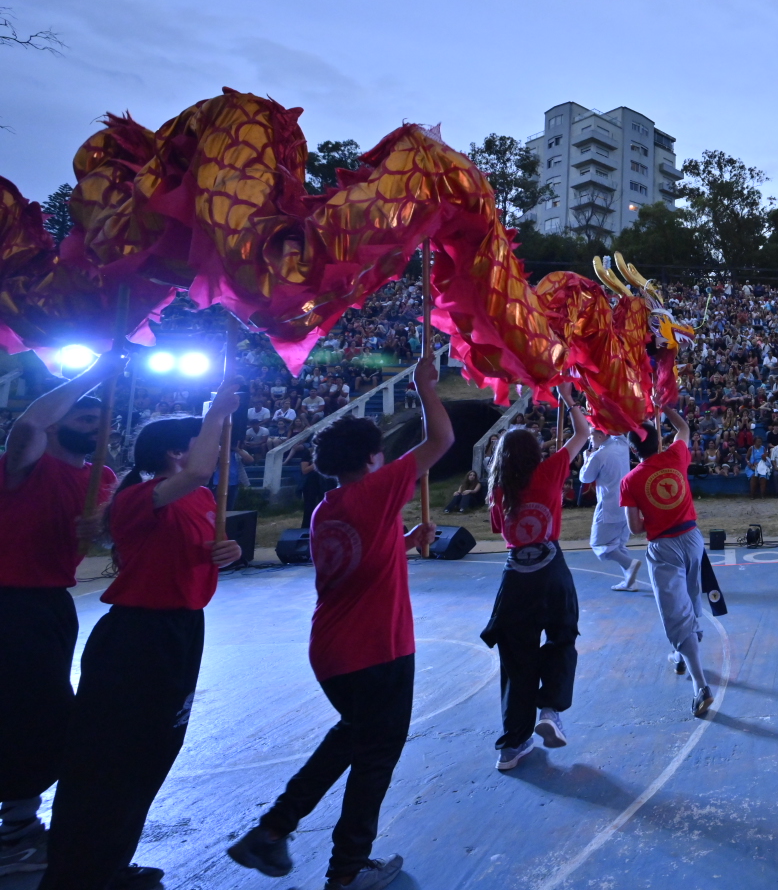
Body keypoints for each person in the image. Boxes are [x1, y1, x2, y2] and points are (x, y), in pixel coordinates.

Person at [227, 354, 452, 890]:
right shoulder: (376, 492)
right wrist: (425, 388)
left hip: (335, 652)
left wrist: (402, 541)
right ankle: (346, 872)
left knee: (352, 739)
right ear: (374, 458)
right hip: (377, 651)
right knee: (374, 758)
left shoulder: (330, 506)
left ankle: (273, 830)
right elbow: (440, 441)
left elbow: (356, 562)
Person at [39, 384, 243, 890]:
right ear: (177, 452)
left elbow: (186, 552)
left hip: (180, 631)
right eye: (203, 443)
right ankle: (76, 875)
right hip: (137, 637)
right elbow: (198, 469)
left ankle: (108, 865)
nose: (213, 452)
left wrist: (224, 554)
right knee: (109, 762)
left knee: (150, 758)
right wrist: (216, 409)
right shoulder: (135, 499)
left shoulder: (198, 499)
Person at [0, 357, 122, 881]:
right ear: (58, 422)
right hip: (9, 599)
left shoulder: (106, 478)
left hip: (52, 601)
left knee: (41, 715)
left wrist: (108, 531)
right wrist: (99, 372)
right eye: (82, 417)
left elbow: (119, 541)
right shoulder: (25, 463)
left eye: (100, 420)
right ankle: (15, 836)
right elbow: (28, 424)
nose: (94, 426)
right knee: (28, 714)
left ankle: (18, 825)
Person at [482, 386, 590, 770]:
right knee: (562, 638)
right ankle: (550, 709)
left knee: (515, 660)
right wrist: (568, 397)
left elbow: (499, 532)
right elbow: (583, 433)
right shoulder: (549, 471)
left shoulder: (499, 492)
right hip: (551, 570)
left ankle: (512, 745)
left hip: (515, 578)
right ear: (535, 452)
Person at [620, 405, 715, 716]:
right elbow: (684, 429)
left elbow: (635, 528)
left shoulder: (631, 480)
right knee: (691, 598)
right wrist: (667, 408)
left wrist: (659, 520)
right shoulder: (675, 456)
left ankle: (700, 686)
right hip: (692, 537)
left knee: (676, 615)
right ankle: (681, 655)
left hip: (664, 546)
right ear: (659, 442)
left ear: (633, 451)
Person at [579, 427, 641, 591]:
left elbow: (585, 477)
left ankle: (630, 565)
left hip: (608, 507)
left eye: (592, 436)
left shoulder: (599, 455)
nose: (590, 440)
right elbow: (617, 431)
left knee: (599, 544)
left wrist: (587, 458)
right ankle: (630, 582)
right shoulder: (620, 444)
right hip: (626, 504)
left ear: (600, 435)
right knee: (618, 545)